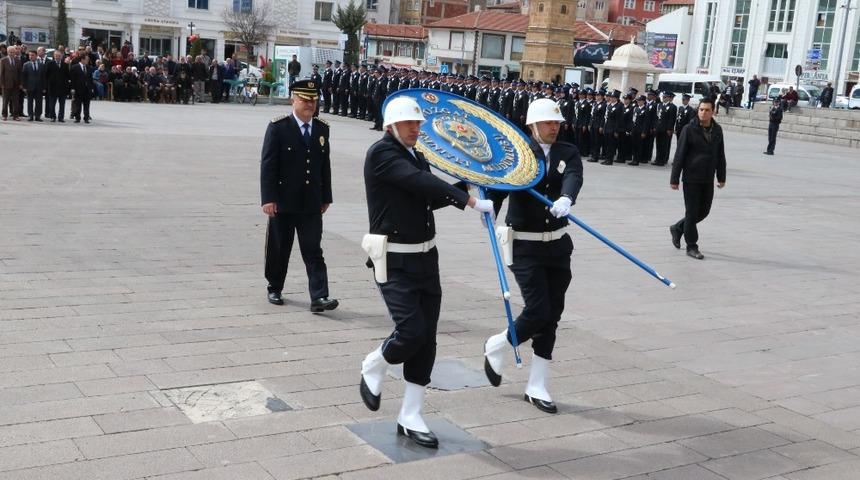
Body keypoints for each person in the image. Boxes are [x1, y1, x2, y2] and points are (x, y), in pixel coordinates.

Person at [358, 96, 495, 449]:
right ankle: (375, 363)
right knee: (411, 330)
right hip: (395, 259)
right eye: (409, 124)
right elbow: (420, 184)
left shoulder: (415, 156)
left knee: (427, 337)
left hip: (425, 258)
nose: (416, 129)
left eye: (418, 124)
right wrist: (468, 200)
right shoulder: (382, 154)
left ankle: (411, 412)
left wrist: (467, 183)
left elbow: (431, 197)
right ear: (392, 125)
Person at [483, 98, 584, 415]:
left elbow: (574, 176)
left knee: (552, 313)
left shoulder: (568, 152)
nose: (554, 127)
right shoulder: (517, 153)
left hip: (557, 244)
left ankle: (536, 384)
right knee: (538, 309)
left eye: (557, 123)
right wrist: (488, 208)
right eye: (548, 123)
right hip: (524, 245)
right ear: (532, 125)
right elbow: (497, 187)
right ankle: (500, 343)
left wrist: (567, 197)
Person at [260, 80, 339, 312]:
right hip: (283, 201)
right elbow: (268, 166)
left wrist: (326, 196)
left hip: (311, 203)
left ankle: (319, 297)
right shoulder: (278, 127)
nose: (310, 104)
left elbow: (325, 166)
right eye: (305, 99)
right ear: (293, 99)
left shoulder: (322, 129)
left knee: (313, 250)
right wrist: (268, 198)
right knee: (279, 247)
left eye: (313, 100)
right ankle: (274, 286)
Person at [669, 98, 726, 260]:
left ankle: (678, 228)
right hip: (691, 178)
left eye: (707, 110)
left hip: (708, 178)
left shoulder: (717, 130)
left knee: (704, 212)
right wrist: (674, 178)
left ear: (713, 111)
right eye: (701, 109)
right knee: (692, 212)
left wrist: (721, 176)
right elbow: (679, 155)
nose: (703, 112)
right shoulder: (689, 129)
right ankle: (692, 246)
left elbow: (720, 154)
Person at [652, 91, 677, 166]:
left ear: (669, 98)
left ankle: (662, 160)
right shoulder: (659, 105)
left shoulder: (673, 107)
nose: (663, 98)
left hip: (666, 129)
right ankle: (657, 159)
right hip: (658, 128)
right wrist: (655, 127)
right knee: (658, 144)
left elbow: (672, 119)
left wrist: (670, 129)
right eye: (663, 97)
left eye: (665, 97)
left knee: (664, 145)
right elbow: (657, 117)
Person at [45, 50, 69, 122]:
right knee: (52, 104)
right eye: (56, 56)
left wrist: (67, 87)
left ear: (61, 56)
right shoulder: (50, 64)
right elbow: (46, 75)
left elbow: (67, 76)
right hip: (52, 87)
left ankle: (61, 117)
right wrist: (47, 86)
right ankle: (53, 116)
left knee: (62, 105)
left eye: (59, 56)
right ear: (54, 56)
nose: (58, 57)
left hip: (62, 88)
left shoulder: (65, 65)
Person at [1, 45, 23, 121]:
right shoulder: (3, 60)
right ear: (7, 52)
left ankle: (16, 115)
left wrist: (20, 84)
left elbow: (20, 73)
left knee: (16, 101)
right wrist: (2, 84)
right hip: (6, 84)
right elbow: (1, 73)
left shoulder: (18, 61)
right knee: (5, 101)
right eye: (10, 52)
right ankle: (4, 115)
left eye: (13, 52)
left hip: (16, 85)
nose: (12, 53)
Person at [22, 50, 45, 121]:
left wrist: (44, 87)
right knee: (30, 102)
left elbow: (43, 77)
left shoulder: (41, 65)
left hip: (39, 87)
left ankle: (38, 116)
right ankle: (30, 115)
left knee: (39, 102)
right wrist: (24, 87)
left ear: (36, 56)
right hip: (29, 87)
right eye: (29, 55)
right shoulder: (26, 65)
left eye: (32, 55)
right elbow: (23, 77)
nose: (31, 56)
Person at [69, 54, 93, 123]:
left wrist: (91, 88)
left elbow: (90, 79)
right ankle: (77, 118)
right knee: (78, 104)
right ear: (82, 60)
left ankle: (86, 118)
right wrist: (72, 88)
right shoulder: (74, 67)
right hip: (78, 89)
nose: (88, 61)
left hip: (87, 89)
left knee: (87, 105)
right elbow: (72, 79)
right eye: (86, 59)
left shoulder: (88, 67)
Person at [601, 90, 623, 165]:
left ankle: (610, 160)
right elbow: (606, 117)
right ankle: (607, 158)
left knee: (611, 145)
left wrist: (616, 131)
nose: (611, 98)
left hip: (613, 129)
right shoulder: (609, 105)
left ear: (617, 98)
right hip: (607, 127)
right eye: (611, 97)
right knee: (607, 145)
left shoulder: (619, 106)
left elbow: (618, 120)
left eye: (613, 97)